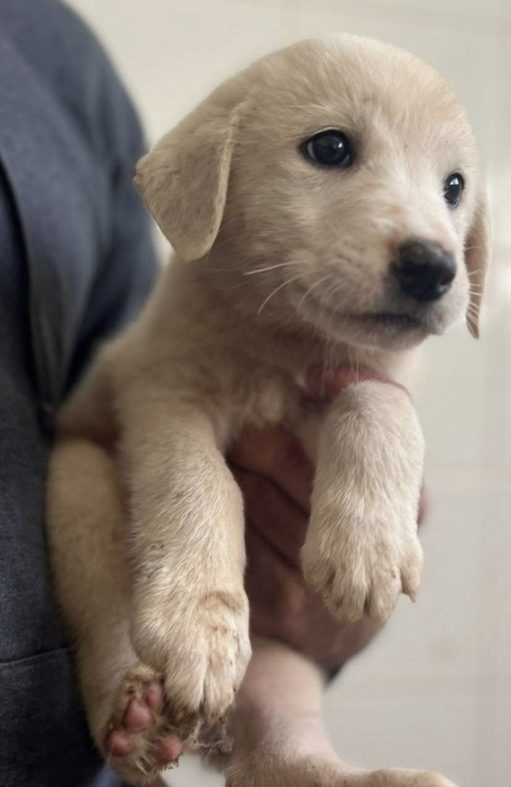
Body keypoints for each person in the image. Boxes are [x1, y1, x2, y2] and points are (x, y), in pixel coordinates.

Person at [0, 1, 382, 785]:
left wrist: (319, 593)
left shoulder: (53, 55)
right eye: (332, 149)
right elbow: (145, 407)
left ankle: (288, 757)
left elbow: (113, 387)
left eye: (453, 188)